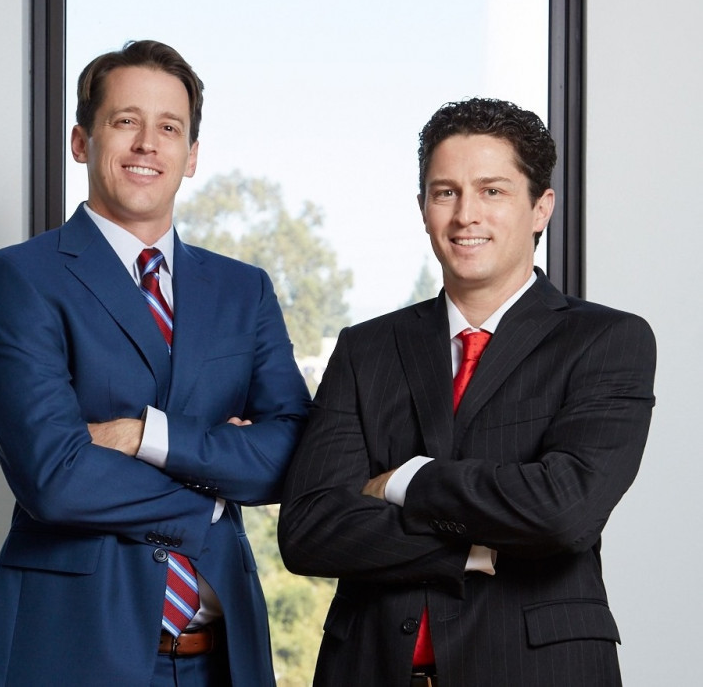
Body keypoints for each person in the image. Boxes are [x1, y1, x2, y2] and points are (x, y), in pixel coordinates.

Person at [278, 97, 656, 687]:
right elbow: (311, 530)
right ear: (423, 208)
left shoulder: (606, 341)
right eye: (445, 192)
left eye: (492, 191)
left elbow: (564, 511)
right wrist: (476, 549)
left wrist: (405, 482)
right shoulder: (366, 349)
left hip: (536, 671)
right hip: (369, 668)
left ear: (541, 207)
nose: (465, 215)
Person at [0, 39, 310, 686]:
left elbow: (293, 454)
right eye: (126, 121)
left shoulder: (245, 291)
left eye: (169, 128)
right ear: (81, 141)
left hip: (223, 657)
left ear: (192, 155)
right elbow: (54, 476)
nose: (148, 143)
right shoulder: (19, 279)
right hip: (71, 648)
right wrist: (213, 494)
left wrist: (141, 435)